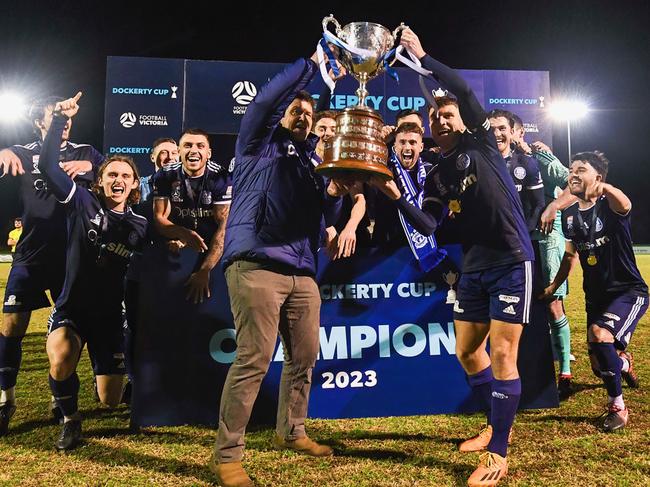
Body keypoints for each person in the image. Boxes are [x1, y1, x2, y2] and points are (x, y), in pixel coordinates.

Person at [372, 28, 535, 486]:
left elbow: (461, 89)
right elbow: (431, 225)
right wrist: (393, 196)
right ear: (428, 127)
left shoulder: (481, 143)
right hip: (475, 268)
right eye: (435, 116)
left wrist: (423, 56)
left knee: (503, 352)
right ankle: (493, 423)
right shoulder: (438, 174)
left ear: (462, 119)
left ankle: (498, 452)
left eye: (448, 115)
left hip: (510, 259)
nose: (442, 120)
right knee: (467, 352)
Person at [210, 50, 347, 487]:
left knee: (304, 357)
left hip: (303, 271)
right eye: (296, 108)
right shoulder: (257, 145)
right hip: (256, 264)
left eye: (309, 111)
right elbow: (265, 103)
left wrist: (337, 192)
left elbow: (323, 211)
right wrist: (313, 64)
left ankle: (293, 431)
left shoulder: (311, 162)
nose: (303, 115)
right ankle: (228, 455)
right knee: (254, 358)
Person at [34, 92, 147, 450]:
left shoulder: (142, 224)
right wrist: (58, 123)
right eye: (111, 173)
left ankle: (116, 379)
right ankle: (70, 419)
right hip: (73, 309)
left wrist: (179, 236)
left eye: (125, 175)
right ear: (100, 181)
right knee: (62, 357)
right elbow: (49, 168)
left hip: (111, 317)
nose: (118, 179)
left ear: (133, 185)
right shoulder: (82, 201)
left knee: (110, 399)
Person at [0, 96, 103, 436]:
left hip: (70, 257)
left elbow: (118, 174)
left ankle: (61, 401)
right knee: (11, 327)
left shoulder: (85, 152)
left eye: (67, 116)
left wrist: (93, 169)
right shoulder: (21, 151)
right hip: (30, 255)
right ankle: (5, 400)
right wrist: (2, 153)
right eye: (56, 115)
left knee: (67, 333)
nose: (65, 120)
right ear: (39, 123)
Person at [541, 151, 647, 432]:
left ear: (597, 178)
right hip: (595, 296)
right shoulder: (571, 216)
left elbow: (625, 204)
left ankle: (618, 407)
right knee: (600, 367)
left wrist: (606, 188)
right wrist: (553, 286)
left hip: (627, 291)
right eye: (571, 169)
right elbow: (569, 257)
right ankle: (622, 363)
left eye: (581, 170)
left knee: (601, 337)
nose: (573, 174)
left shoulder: (610, 207)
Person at [511, 121, 576, 398]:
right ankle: (537, 367)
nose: (501, 136)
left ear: (519, 132)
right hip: (521, 242)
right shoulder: (500, 161)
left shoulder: (540, 158)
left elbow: (574, 188)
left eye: (508, 130)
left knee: (552, 306)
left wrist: (553, 205)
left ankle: (565, 373)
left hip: (547, 241)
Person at [152, 128, 231, 304]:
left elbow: (224, 227)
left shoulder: (220, 176)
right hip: (179, 246)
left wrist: (205, 270)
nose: (194, 150)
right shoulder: (165, 174)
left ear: (208, 153)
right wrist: (181, 233)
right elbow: (159, 218)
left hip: (212, 248)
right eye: (187, 145)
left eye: (200, 146)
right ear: (179, 151)